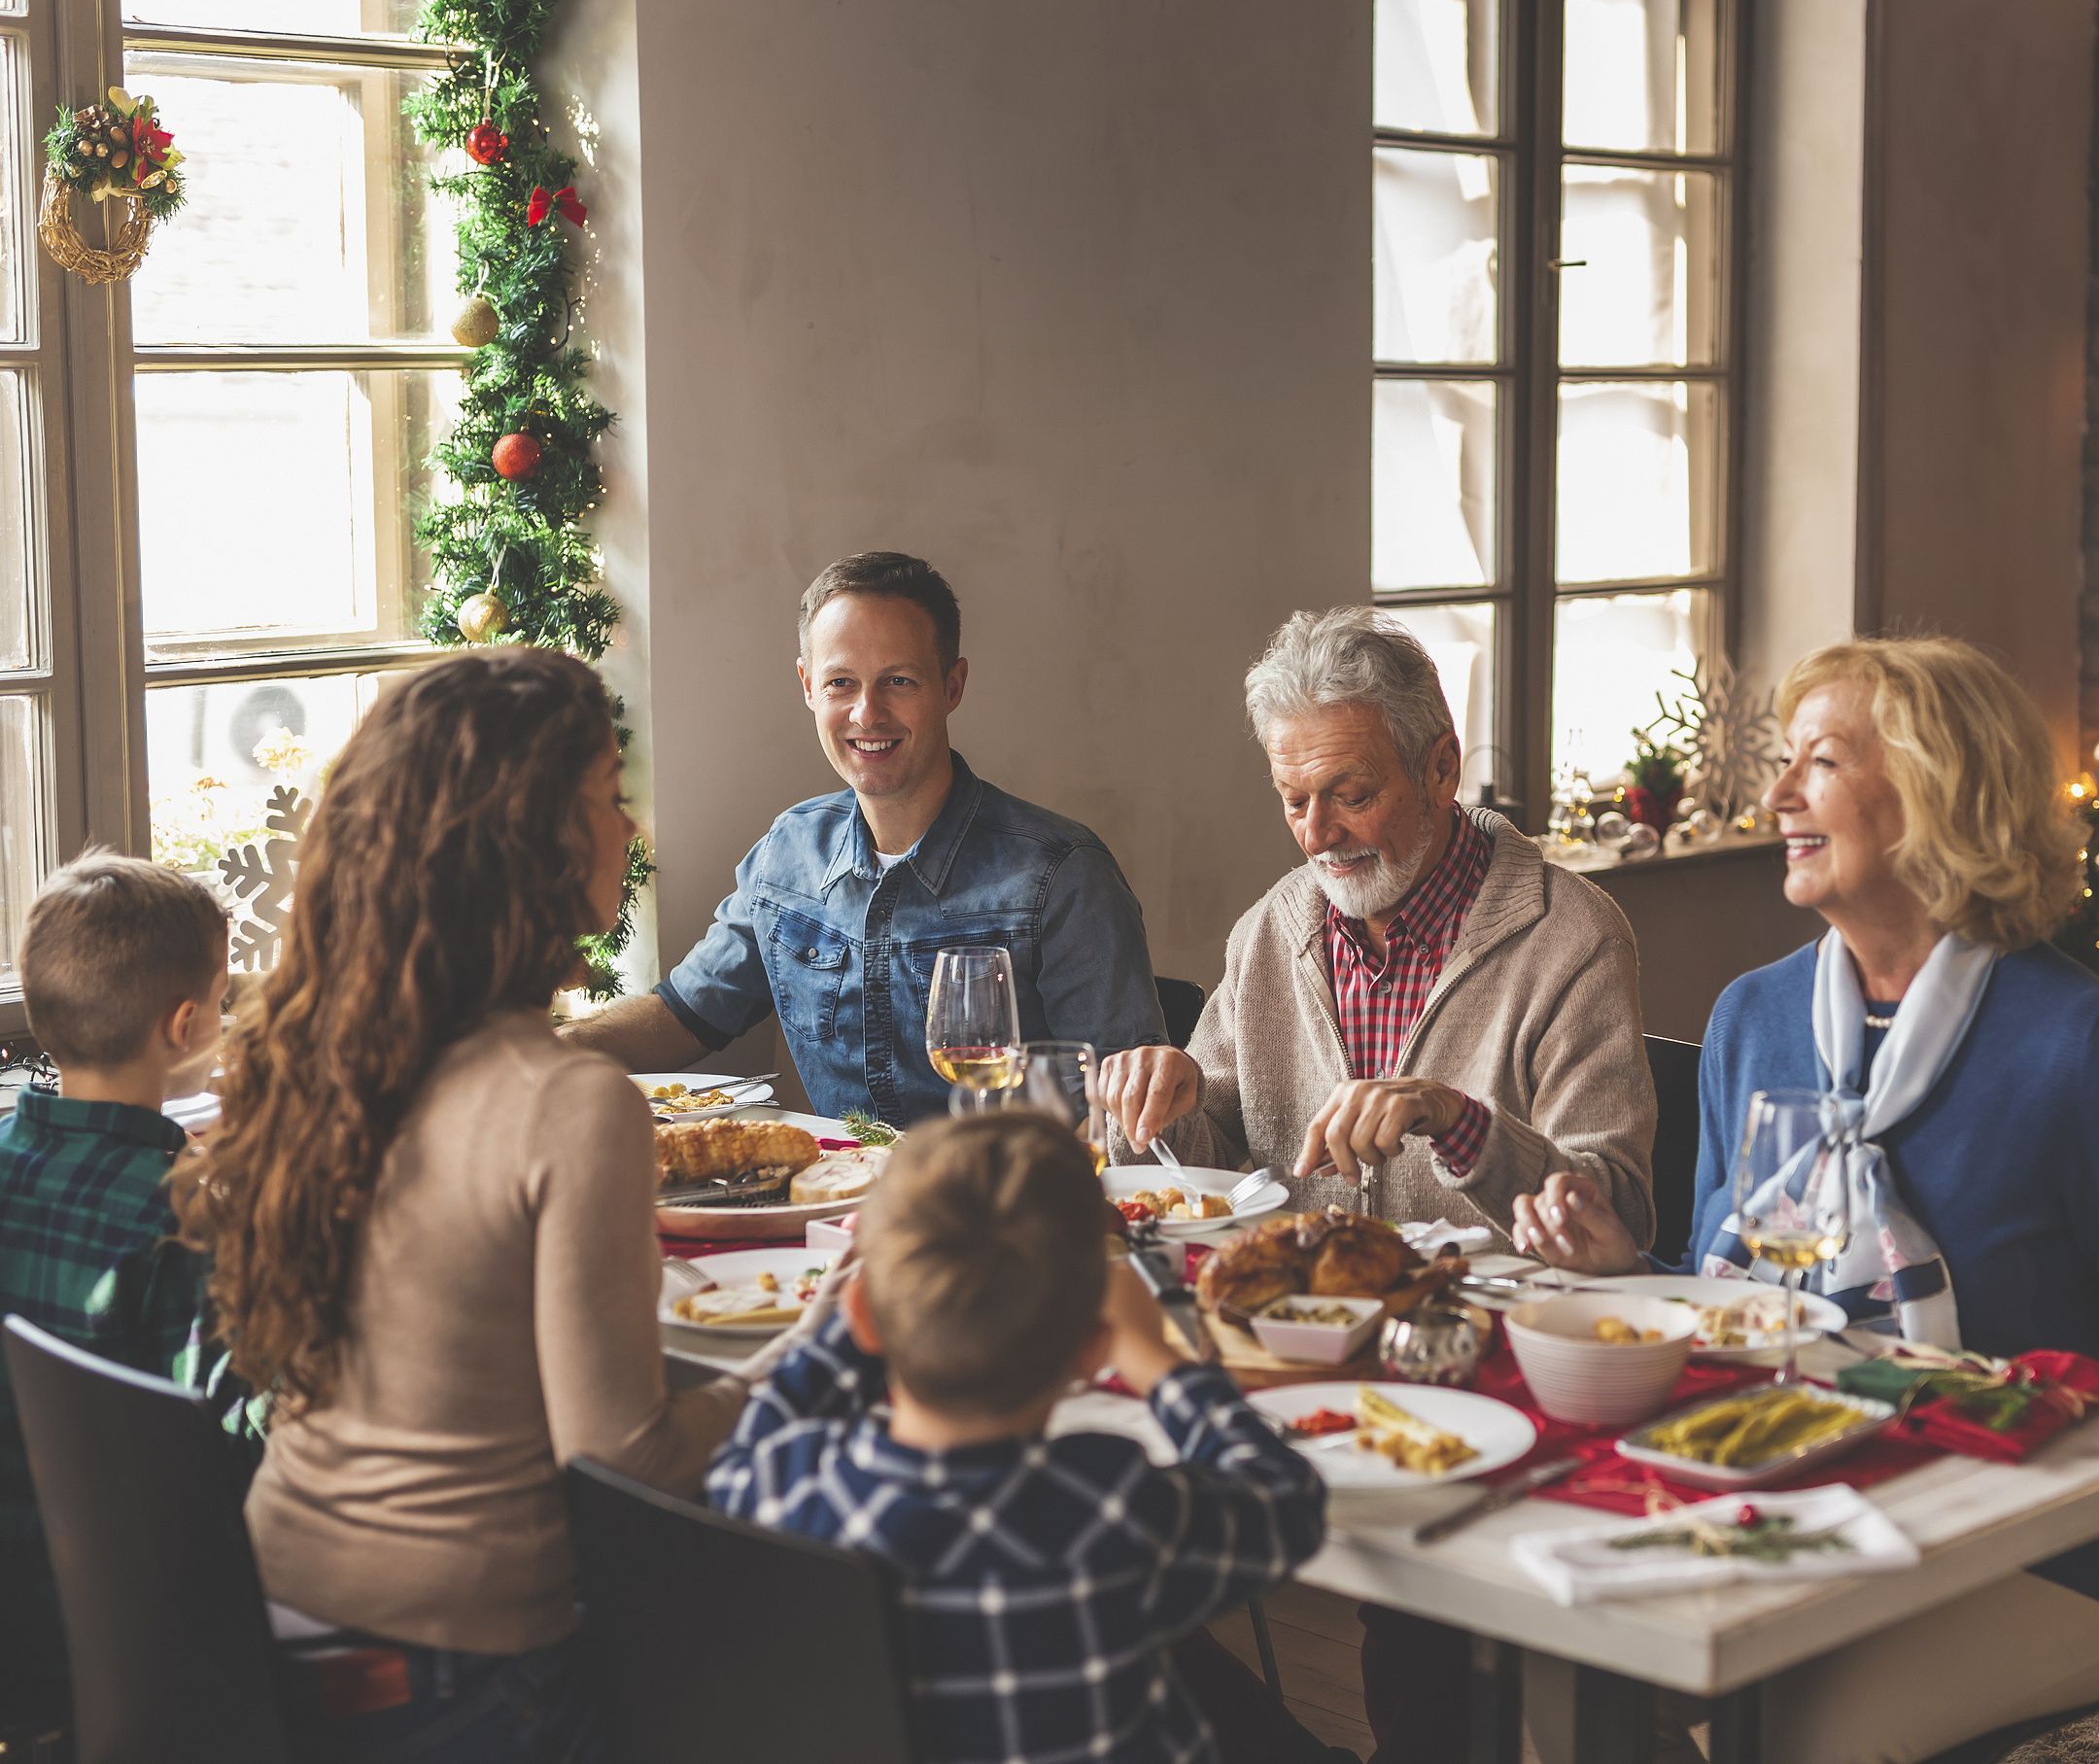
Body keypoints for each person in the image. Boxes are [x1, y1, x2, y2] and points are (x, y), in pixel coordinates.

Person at [1510, 635, 2099, 1764]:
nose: (1779, 794)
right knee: (1554, 1679)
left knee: (1797, 1742)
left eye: (1823, 762)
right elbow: (1748, 1309)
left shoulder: (2077, 1040)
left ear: (1937, 793)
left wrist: (1994, 1458)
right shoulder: (1753, 1020)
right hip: (1793, 1494)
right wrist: (1629, 1274)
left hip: (2042, 1547)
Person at [175, 648, 819, 1764]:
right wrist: (827, 1346)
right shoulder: (567, 1101)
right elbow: (628, 1461)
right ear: (531, 841)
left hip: (279, 1625)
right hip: (462, 1671)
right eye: (609, 793)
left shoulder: (326, 1048)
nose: (631, 827)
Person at [707, 1111, 1337, 1764]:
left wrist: (875, 1306)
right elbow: (1288, 1500)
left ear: (862, 1315)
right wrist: (1160, 1362)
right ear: (1093, 1348)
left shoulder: (782, 1486)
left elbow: (769, 1414)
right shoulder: (1107, 1506)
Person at [1094, 605, 1656, 1236]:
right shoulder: (1271, 931)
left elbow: (1621, 1216)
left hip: (1492, 1326)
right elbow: (1199, 1175)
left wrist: (1459, 1123)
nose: (1316, 834)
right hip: (1304, 1319)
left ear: (1442, 769)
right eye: (1294, 800)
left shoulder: (1572, 938)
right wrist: (1160, 1104)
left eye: (1352, 796)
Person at [564, 553, 1164, 1122]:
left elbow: (1124, 1112)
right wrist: (538, 1047)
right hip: (831, 1211)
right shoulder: (788, 853)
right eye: (841, 683)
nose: (867, 713)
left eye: (899, 681)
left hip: (1005, 1213)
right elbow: (683, 1016)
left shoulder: (1062, 874)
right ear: (807, 686)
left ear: (953, 686)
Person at [0, 854, 231, 1733]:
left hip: (18, 1622)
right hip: (134, 1640)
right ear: (185, 1025)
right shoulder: (183, 1214)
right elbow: (240, 1442)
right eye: (219, 997)